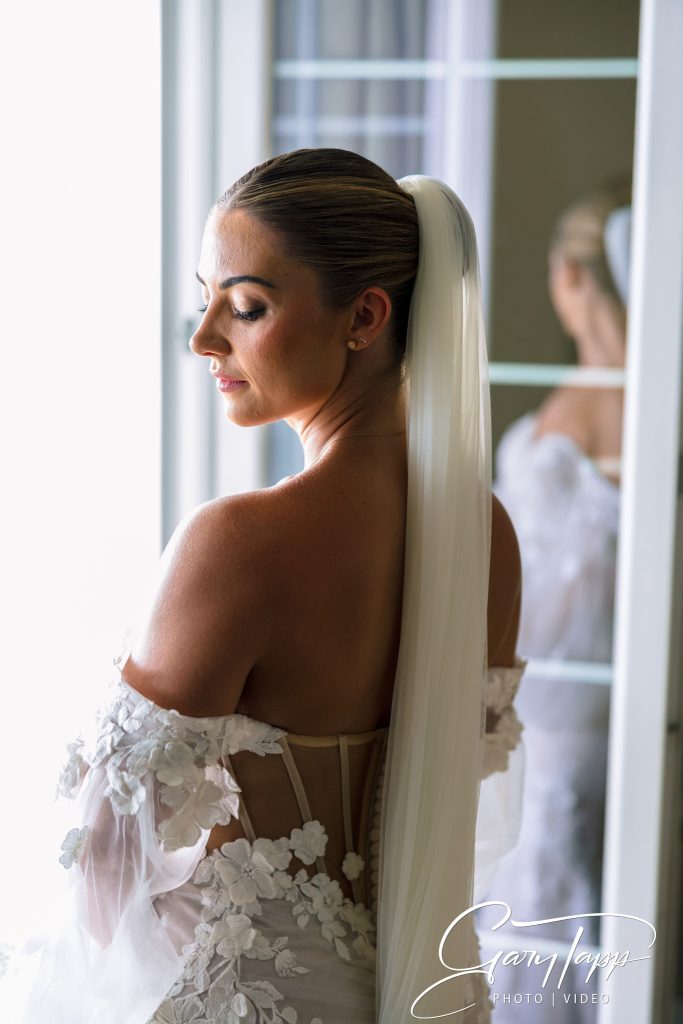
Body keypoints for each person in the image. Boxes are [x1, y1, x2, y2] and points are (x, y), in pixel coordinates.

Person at [2, 148, 527, 1023]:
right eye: (205, 299)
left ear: (365, 317)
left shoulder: (237, 545)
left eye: (246, 307)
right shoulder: (485, 533)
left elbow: (106, 869)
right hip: (420, 989)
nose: (205, 337)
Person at [483, 184, 630, 1021]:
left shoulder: (586, 407)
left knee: (543, 924)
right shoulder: (642, 405)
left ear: (571, 277)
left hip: (559, 713)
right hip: (597, 711)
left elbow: (535, 587)